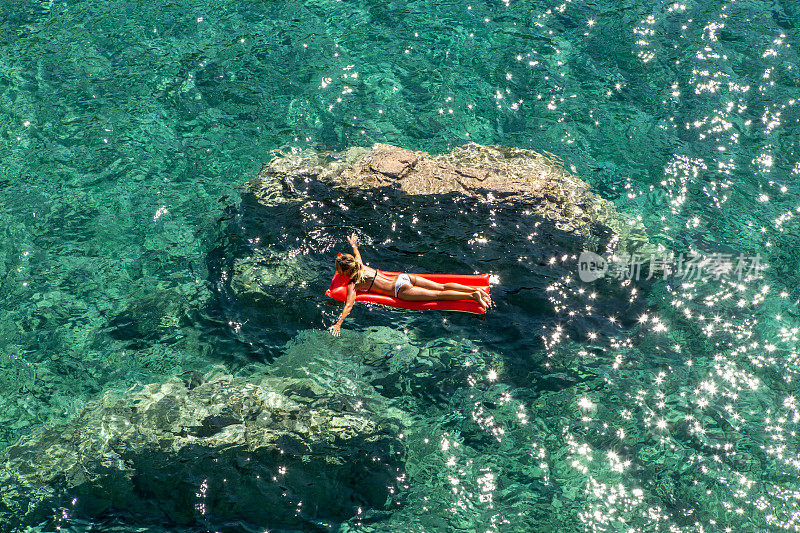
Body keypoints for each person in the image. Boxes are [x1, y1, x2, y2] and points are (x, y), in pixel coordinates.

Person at [329, 233, 492, 336]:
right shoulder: (361, 265)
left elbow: (348, 305)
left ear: (344, 271)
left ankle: (472, 295)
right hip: (404, 278)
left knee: (438, 295)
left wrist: (339, 323)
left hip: (401, 290)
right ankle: (474, 288)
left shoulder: (353, 283)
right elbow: (357, 253)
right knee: (441, 286)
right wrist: (353, 244)